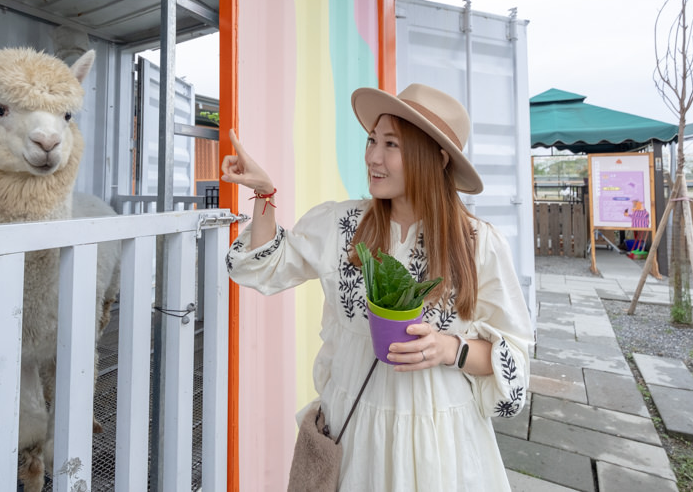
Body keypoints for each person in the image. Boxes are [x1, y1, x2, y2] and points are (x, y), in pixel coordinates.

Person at [222, 83, 534, 490]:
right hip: (355, 431)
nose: (372, 157)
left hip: (440, 443)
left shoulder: (478, 243)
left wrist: (450, 348)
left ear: (436, 158)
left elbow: (513, 357)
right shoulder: (340, 225)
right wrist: (264, 194)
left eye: (391, 144)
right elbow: (266, 264)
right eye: (372, 140)